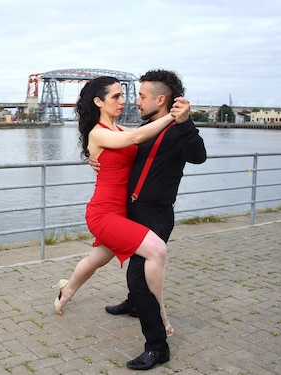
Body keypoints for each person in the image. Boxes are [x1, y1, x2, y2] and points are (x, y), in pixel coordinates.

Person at [52, 75, 190, 366]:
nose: (123, 100)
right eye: (115, 96)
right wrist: (171, 118)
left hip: (122, 211)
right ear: (99, 102)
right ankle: (162, 314)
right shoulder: (99, 132)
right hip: (103, 213)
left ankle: (67, 291)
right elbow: (136, 139)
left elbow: (141, 144)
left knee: (97, 257)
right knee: (156, 250)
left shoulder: (119, 128)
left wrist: (182, 123)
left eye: (123, 95)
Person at [96, 69, 206, 370]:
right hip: (133, 210)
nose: (137, 101)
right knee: (133, 265)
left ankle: (158, 348)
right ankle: (135, 304)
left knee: (139, 277)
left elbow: (199, 155)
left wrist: (186, 122)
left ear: (160, 99)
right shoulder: (149, 127)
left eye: (142, 96)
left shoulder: (177, 130)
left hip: (155, 214)